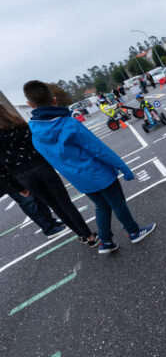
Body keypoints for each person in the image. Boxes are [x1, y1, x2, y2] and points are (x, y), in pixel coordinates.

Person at [24, 80, 156, 254]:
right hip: (100, 174)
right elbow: (98, 149)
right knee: (118, 204)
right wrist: (121, 166)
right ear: (54, 100)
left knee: (101, 206)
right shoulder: (69, 124)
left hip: (79, 180)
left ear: (29, 105)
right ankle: (134, 231)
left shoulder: (35, 136)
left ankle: (106, 242)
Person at [0, 104, 99, 246]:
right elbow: (40, 146)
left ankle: (81, 235)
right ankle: (89, 236)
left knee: (55, 205)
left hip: (22, 176)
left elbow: (2, 170)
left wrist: (18, 187)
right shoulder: (21, 126)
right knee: (65, 203)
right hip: (41, 166)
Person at [1, 177, 67, 239]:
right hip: (6, 180)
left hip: (12, 174)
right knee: (28, 201)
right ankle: (49, 228)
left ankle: (51, 222)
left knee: (36, 197)